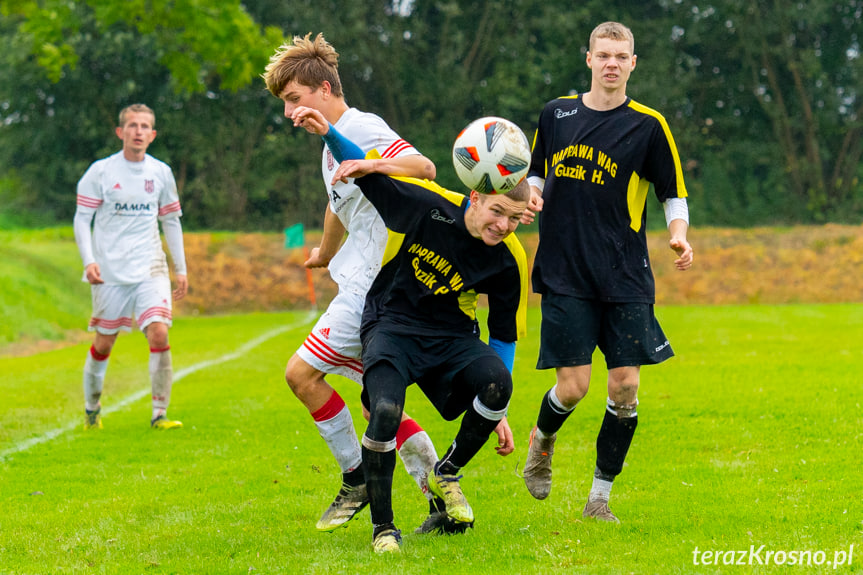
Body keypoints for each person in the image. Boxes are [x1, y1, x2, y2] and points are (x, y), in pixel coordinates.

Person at [262, 33, 456, 535]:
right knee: (377, 400)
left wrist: (373, 161)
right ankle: (442, 499)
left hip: (377, 289)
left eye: (293, 99)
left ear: (324, 88)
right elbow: (337, 200)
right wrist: (324, 254)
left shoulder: (361, 126)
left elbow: (424, 168)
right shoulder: (331, 143)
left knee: (301, 375)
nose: (288, 112)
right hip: (369, 287)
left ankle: (358, 478)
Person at [315, 121, 527, 552]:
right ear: (476, 196)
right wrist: (329, 134)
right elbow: (369, 175)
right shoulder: (427, 208)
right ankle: (383, 529)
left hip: (450, 337)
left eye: (515, 218)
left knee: (498, 383)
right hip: (391, 325)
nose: (504, 225)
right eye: (497, 212)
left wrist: (498, 408)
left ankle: (445, 473)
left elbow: (503, 337)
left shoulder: (508, 262)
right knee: (385, 410)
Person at [520, 21, 694, 523]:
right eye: (604, 54)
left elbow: (672, 193)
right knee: (572, 387)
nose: (612, 63)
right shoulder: (557, 114)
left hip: (624, 275)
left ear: (633, 63)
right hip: (563, 269)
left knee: (624, 386)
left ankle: (599, 499)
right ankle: (543, 439)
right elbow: (534, 170)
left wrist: (679, 233)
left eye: (621, 55)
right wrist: (530, 193)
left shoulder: (649, 125)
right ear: (590, 59)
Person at [73, 103, 188, 431]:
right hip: (109, 270)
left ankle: (159, 414)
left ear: (152, 135)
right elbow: (83, 220)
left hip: (150, 267)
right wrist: (89, 261)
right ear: (120, 132)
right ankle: (92, 408)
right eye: (132, 125)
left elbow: (171, 221)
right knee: (104, 342)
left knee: (159, 330)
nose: (138, 131)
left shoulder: (160, 173)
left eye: (144, 126)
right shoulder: (101, 172)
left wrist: (180, 269)